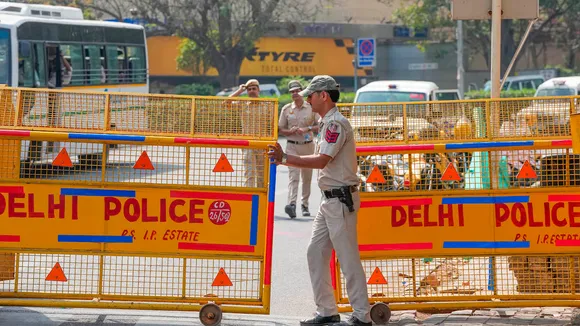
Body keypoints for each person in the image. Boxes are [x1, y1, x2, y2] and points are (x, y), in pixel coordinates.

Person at [268, 75, 371, 326]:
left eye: (310, 95)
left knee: (347, 259)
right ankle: (327, 311)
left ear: (323, 95)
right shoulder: (326, 123)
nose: (307, 99)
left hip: (340, 200)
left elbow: (321, 160)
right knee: (315, 253)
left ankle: (362, 315)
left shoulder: (336, 124)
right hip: (330, 202)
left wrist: (286, 159)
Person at [278, 80, 321, 218]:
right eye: (292, 92)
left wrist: (307, 128)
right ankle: (291, 204)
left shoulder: (311, 108)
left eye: (297, 91)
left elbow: (320, 125)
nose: (295, 94)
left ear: (302, 92)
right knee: (293, 176)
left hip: (308, 146)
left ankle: (305, 204)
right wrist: (289, 131)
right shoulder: (286, 109)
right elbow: (280, 129)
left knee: (306, 177)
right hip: (291, 146)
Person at [229, 79, 265, 188]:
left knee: (262, 175)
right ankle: (250, 199)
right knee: (249, 173)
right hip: (248, 143)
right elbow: (225, 102)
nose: (252, 91)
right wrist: (240, 90)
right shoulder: (242, 104)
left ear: (258, 90)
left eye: (254, 89)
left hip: (263, 143)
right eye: (249, 89)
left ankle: (260, 200)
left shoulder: (267, 105)